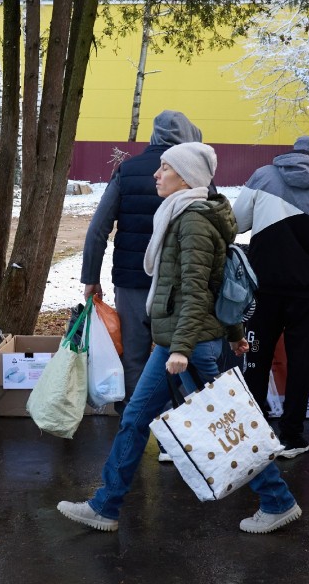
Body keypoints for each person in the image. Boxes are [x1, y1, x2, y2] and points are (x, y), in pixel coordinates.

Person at [58, 143, 302, 535]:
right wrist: (234, 334)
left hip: (189, 345)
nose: (156, 175)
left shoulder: (192, 220)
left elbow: (196, 291)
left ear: (187, 177)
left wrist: (183, 350)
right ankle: (106, 505)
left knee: (227, 425)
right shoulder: (187, 213)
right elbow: (219, 281)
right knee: (137, 419)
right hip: (182, 340)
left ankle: (277, 500)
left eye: (165, 169)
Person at [233, 135, 309, 458]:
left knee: (256, 357)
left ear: (292, 152)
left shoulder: (262, 175)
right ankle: (293, 435)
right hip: (307, 291)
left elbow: (236, 222)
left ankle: (254, 433)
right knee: (301, 360)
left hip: (263, 286)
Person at [80, 110, 204, 416]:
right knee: (177, 354)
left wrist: (90, 278)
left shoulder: (128, 170)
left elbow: (98, 229)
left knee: (134, 357)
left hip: (132, 281)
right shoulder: (194, 175)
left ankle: (131, 422)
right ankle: (176, 429)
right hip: (178, 284)